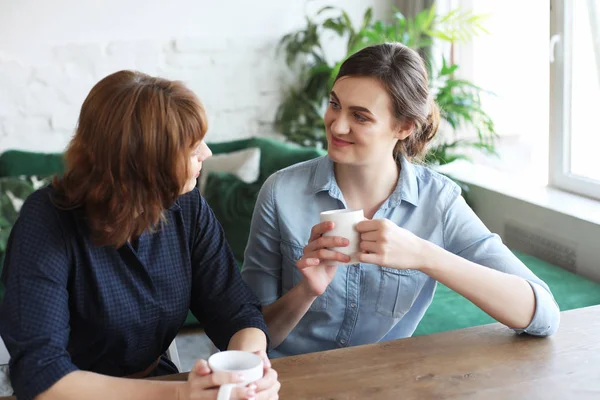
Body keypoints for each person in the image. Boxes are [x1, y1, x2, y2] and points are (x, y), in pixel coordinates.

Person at [241, 43, 560, 358]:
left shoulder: (439, 202)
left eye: (360, 117)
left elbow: (543, 315)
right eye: (335, 104)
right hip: (291, 380)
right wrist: (306, 291)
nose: (337, 125)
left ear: (404, 127)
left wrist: (424, 255)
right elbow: (249, 332)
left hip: (386, 383)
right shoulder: (281, 192)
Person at [0, 71, 280, 400]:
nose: (207, 153)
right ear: (145, 167)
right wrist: (180, 395)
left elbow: (237, 312)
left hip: (158, 383)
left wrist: (250, 365)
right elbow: (41, 375)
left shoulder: (186, 206)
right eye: (192, 150)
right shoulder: (47, 221)